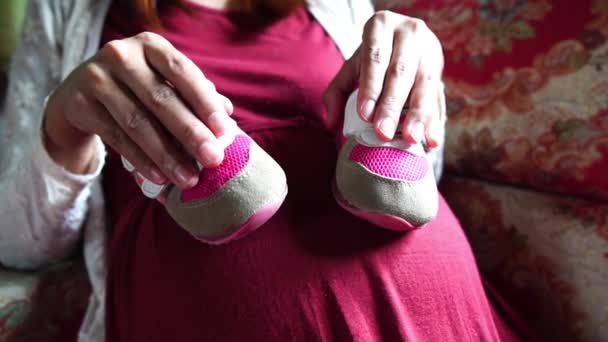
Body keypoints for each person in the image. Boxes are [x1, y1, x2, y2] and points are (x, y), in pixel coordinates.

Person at [0, 0, 524, 341]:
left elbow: (419, 182)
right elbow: (18, 242)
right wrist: (65, 123)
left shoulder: (338, 4)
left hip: (435, 312)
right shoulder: (65, 9)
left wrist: (419, 91)